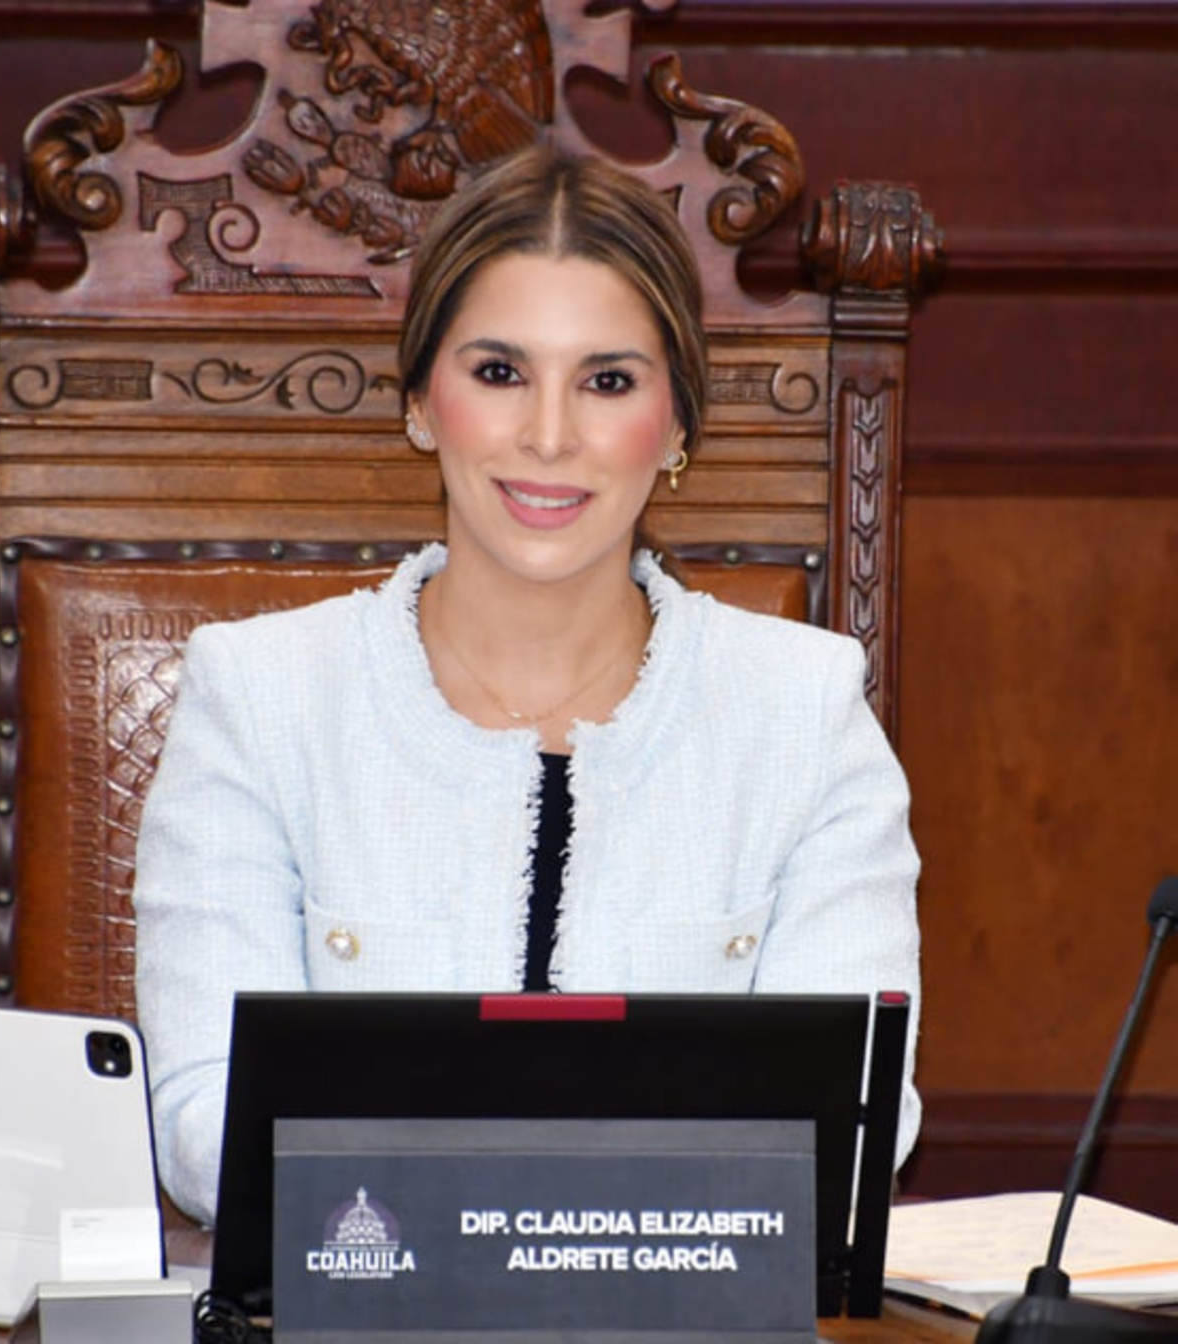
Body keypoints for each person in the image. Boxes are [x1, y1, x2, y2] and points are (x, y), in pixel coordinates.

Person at [133, 145, 921, 1227]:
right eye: (500, 373)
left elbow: (851, 1124)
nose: (549, 436)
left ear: (676, 426)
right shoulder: (261, 698)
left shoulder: (803, 712)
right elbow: (206, 1127)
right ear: (420, 402)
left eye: (607, 381)